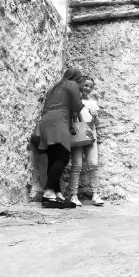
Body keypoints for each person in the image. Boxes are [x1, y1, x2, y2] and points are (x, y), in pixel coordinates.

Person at [39, 68, 85, 208]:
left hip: (46, 121)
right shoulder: (72, 84)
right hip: (59, 121)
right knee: (63, 156)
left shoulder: (56, 86)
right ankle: (48, 192)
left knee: (53, 158)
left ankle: (56, 192)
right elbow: (77, 106)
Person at [68, 76, 104, 206]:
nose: (88, 88)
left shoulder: (93, 103)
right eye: (86, 85)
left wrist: (95, 116)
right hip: (77, 133)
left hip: (90, 133)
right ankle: (73, 196)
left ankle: (95, 194)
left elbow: (97, 123)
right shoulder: (74, 100)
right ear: (80, 85)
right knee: (76, 165)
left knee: (93, 164)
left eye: (91, 86)